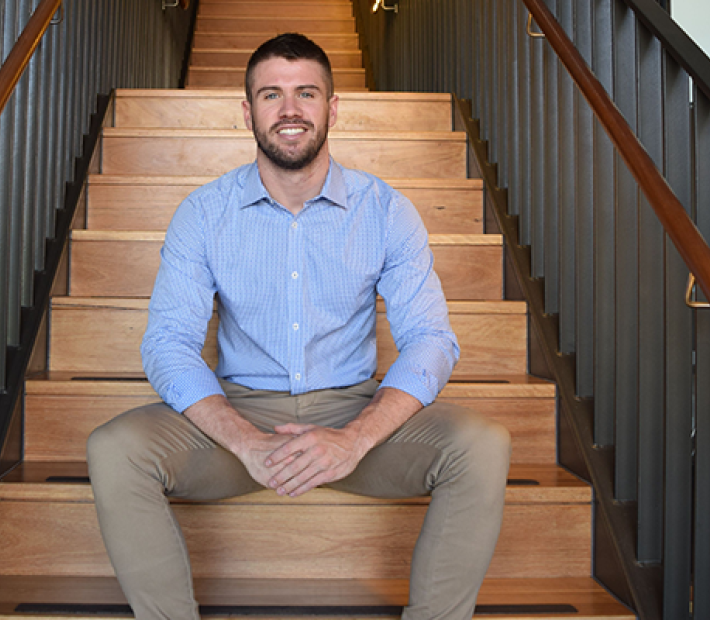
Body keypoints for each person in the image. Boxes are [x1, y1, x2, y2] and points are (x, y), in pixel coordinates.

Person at [87, 33, 511, 620]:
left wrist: (356, 438)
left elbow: (432, 340)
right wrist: (246, 441)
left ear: (332, 109)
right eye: (271, 95)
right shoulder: (204, 213)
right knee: (115, 448)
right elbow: (168, 344)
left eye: (306, 93)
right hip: (239, 413)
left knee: (483, 445)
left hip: (351, 409)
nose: (289, 110)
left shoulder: (386, 210)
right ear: (247, 111)